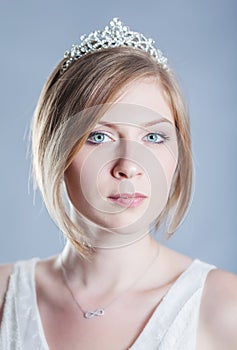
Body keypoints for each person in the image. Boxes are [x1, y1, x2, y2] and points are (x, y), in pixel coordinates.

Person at [0, 17, 236, 350]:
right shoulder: (4, 297)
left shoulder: (226, 308)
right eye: (99, 136)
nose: (130, 166)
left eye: (153, 137)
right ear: (55, 149)